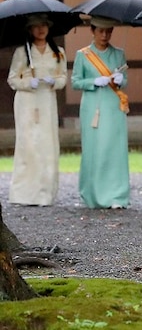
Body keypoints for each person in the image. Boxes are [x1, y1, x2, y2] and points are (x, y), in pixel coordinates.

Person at [6, 13, 67, 206]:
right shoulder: (22, 52)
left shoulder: (58, 52)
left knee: (47, 144)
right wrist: (27, 82)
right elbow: (12, 79)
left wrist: (53, 82)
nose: (41, 29)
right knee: (28, 144)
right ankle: (24, 193)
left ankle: (45, 193)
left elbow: (63, 78)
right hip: (27, 101)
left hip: (47, 100)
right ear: (30, 30)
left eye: (44, 26)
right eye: (36, 26)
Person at [71, 16, 130, 209]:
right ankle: (93, 193)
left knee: (115, 149)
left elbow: (125, 80)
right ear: (93, 31)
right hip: (93, 107)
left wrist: (121, 79)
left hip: (114, 105)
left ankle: (117, 195)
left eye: (108, 31)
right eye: (100, 31)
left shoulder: (118, 54)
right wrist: (93, 82)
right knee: (95, 149)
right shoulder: (83, 54)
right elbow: (75, 81)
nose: (104, 35)